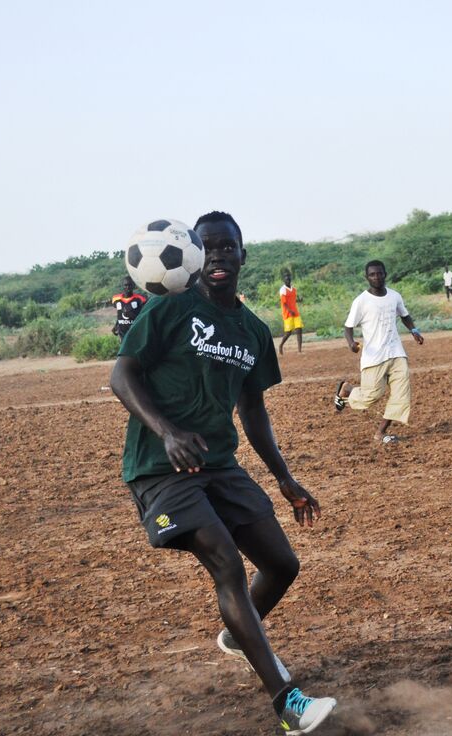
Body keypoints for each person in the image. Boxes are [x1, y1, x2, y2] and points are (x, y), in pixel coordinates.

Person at [109, 211, 336, 735]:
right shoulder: (169, 309)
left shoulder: (252, 330)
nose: (218, 257)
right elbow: (122, 374)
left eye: (227, 248)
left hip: (220, 465)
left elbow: (253, 410)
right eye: (207, 249)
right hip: (159, 468)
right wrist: (166, 431)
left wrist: (284, 478)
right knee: (227, 564)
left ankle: (240, 632)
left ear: (242, 254)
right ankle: (288, 704)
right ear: (191, 255)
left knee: (282, 565)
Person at [334, 260, 424, 444]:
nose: (377, 277)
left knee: (401, 395)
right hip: (374, 356)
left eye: (379, 273)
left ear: (385, 274)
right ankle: (348, 390)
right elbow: (348, 327)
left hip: (397, 352)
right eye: (372, 274)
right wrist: (351, 343)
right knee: (371, 396)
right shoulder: (361, 301)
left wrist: (414, 331)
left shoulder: (394, 296)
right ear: (367, 277)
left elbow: (405, 315)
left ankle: (381, 433)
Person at [278, 271, 303, 354]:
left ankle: (299, 350)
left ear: (290, 280)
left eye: (289, 279)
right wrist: (289, 311)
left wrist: (300, 300)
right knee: (288, 332)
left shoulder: (294, 289)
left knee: (299, 330)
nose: (288, 280)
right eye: (286, 279)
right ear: (284, 281)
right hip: (288, 314)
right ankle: (281, 345)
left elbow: (294, 300)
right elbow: (284, 303)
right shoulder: (283, 290)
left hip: (295, 313)